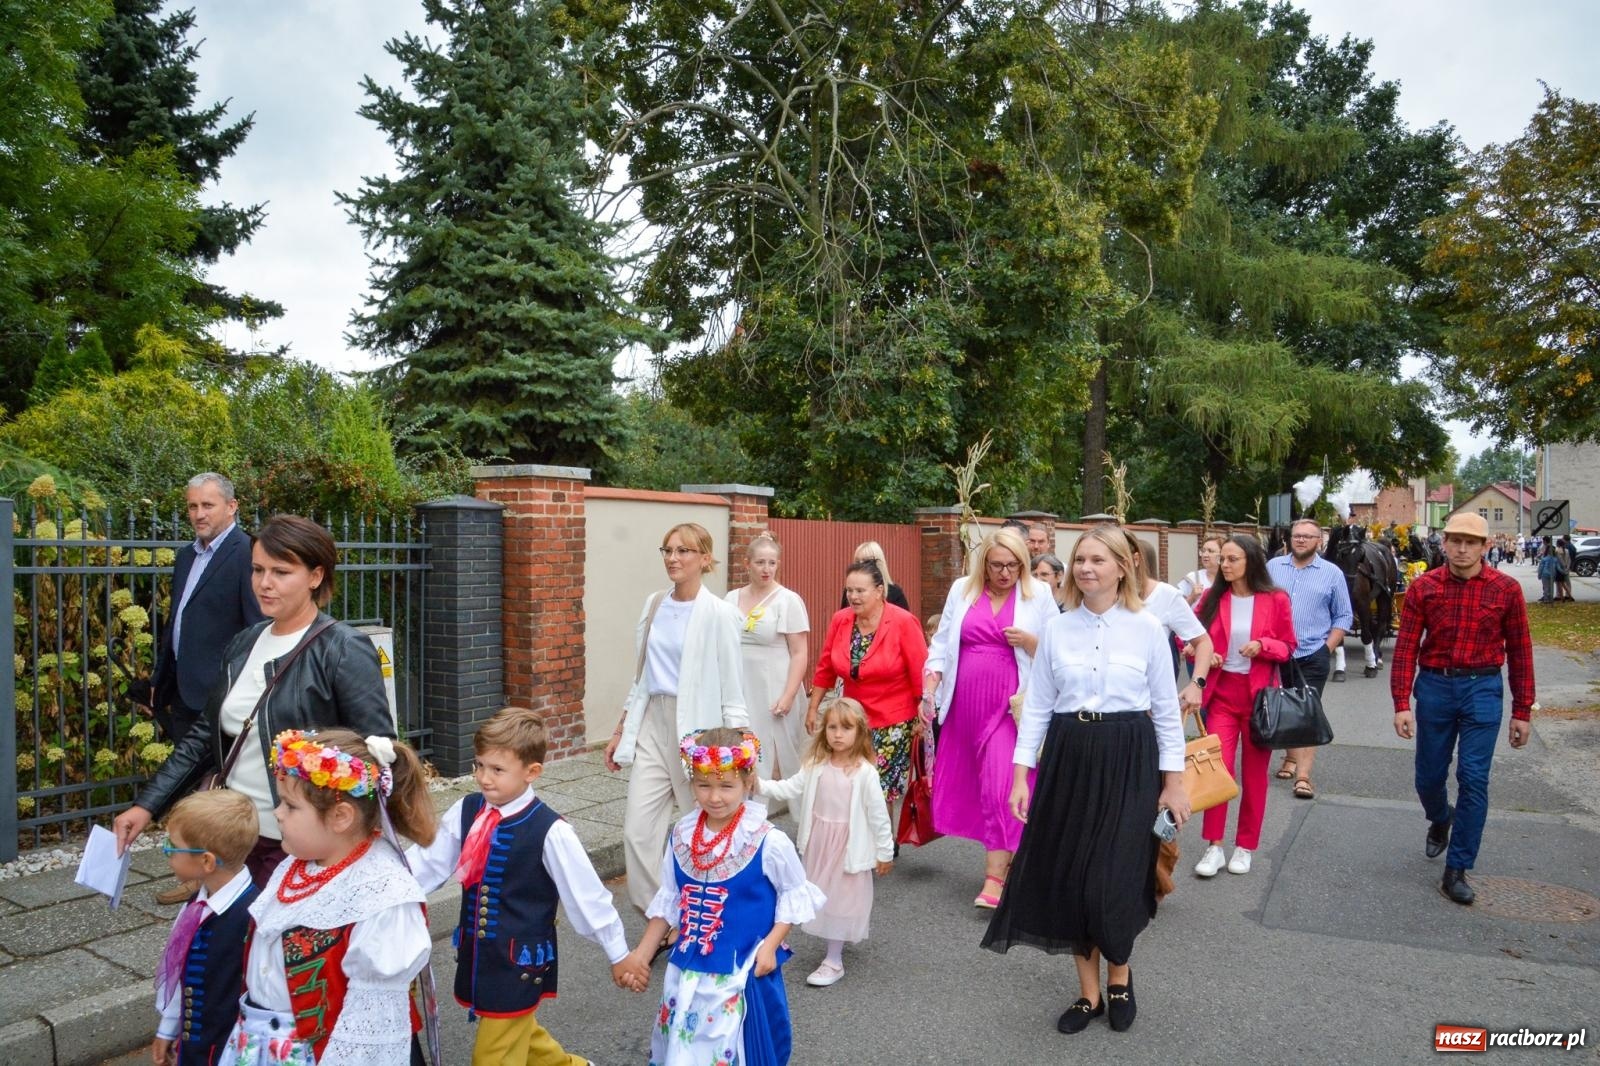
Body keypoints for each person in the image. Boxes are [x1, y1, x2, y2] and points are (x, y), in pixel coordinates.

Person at [981, 526, 1189, 1036]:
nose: (1086, 568)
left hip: (1130, 757)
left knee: (1112, 878)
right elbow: (1037, 711)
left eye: (1098, 559)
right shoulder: (1057, 628)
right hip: (1070, 757)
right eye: (1080, 560)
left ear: (1124, 566)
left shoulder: (1146, 628)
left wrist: (1174, 782)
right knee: (1073, 877)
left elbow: (1165, 710)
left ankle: (1120, 975)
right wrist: (1020, 776)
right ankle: (1089, 993)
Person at [114, 515, 396, 889]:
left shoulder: (342, 649)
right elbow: (204, 735)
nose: (265, 583)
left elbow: (375, 752)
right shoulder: (245, 642)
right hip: (233, 835)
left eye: (281, 572)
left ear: (315, 576)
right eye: (258, 569)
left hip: (298, 843)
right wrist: (147, 805)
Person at [408, 707, 647, 1065]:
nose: (484, 778)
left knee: (495, 1052)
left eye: (497, 770)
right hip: (480, 956)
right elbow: (429, 862)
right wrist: (389, 889)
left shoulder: (550, 830)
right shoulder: (467, 808)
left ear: (532, 772)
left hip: (519, 962)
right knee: (517, 1030)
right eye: (479, 765)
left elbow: (586, 897)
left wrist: (618, 953)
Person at [221, 728, 436, 1066]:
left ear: (340, 817)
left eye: (290, 806)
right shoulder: (296, 865)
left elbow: (369, 1027)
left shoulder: (382, 896)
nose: (277, 813)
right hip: (261, 1044)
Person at [623, 728, 824, 1066]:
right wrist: (642, 955)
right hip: (686, 973)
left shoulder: (767, 841)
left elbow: (793, 895)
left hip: (739, 971)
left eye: (726, 786)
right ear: (691, 785)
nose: (714, 797)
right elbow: (671, 899)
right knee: (682, 1048)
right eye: (704, 786)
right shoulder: (683, 836)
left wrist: (772, 945)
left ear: (748, 783)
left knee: (728, 1048)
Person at [1390, 512, 1534, 905]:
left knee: (1474, 778)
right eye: (1455, 540)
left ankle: (1457, 868)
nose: (1462, 548)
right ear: (1444, 543)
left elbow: (1520, 650)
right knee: (1428, 776)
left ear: (1485, 546)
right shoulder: (1425, 587)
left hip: (1483, 688)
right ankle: (1440, 817)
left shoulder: (1506, 589)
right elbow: (1405, 648)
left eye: (1471, 542)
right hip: (1435, 686)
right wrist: (1401, 702)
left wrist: (1523, 709)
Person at [606, 522, 747, 916]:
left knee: (705, 826)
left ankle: (716, 910)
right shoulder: (654, 605)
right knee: (637, 832)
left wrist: (737, 742)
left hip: (698, 732)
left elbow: (733, 686)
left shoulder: (720, 614)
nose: (673, 558)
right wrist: (621, 729)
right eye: (667, 550)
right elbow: (642, 675)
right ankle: (662, 916)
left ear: (704, 559)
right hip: (653, 722)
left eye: (683, 551)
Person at [922, 529, 1059, 907]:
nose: (1005, 573)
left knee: (1003, 784)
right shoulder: (962, 589)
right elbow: (942, 643)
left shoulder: (1039, 595)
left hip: (1010, 706)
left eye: (1013, 565)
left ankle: (994, 879)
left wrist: (1031, 642)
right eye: (997, 565)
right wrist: (930, 685)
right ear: (984, 563)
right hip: (965, 706)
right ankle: (1014, 861)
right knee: (980, 788)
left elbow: (1059, 650)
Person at [757, 697, 893, 988]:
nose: (838, 734)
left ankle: (834, 958)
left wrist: (884, 851)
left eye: (846, 728)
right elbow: (789, 787)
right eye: (832, 727)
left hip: (846, 848)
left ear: (859, 732)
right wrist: (758, 785)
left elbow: (878, 815)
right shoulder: (816, 765)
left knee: (840, 900)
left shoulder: (864, 773)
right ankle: (777, 940)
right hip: (820, 843)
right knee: (806, 893)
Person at [1191, 535, 1297, 878]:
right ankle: (1214, 846)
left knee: (1255, 777)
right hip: (1221, 695)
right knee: (1218, 772)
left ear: (1251, 560)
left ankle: (1245, 846)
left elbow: (1288, 646)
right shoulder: (1212, 596)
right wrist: (1204, 653)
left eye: (1232, 558)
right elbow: (1186, 633)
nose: (1224, 564)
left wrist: (1262, 644)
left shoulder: (1275, 598)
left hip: (1259, 699)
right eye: (1222, 558)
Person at [145, 473, 265, 746]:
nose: (199, 514)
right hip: (183, 695)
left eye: (208, 505)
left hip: (223, 699)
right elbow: (178, 620)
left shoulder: (248, 553)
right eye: (192, 506)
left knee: (220, 784)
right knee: (187, 783)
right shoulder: (187, 556)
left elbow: (257, 630)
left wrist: (242, 694)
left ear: (232, 506)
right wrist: (159, 679)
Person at [150, 789, 260, 1066]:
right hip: (192, 1048)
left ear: (207, 861)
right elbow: (180, 972)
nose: (167, 853)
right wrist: (168, 1027)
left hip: (228, 1051)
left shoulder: (254, 917)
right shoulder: (196, 903)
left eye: (172, 847)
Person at [808, 560, 927, 808]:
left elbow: (920, 672)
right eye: (849, 590)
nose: (853, 596)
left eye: (860, 591)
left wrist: (922, 715)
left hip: (892, 720)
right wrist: (813, 708)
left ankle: (883, 844)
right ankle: (853, 841)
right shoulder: (841, 620)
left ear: (879, 590)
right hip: (851, 718)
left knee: (879, 789)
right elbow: (826, 666)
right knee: (849, 783)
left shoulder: (903, 622)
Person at [1266, 519, 1353, 800]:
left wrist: (1326, 648)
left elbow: (1344, 615)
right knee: (1285, 707)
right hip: (1278, 652)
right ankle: (1290, 759)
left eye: (1308, 536)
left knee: (1308, 711)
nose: (1301, 540)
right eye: (1297, 535)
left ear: (1319, 541)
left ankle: (1303, 776)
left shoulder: (1332, 573)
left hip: (1312, 652)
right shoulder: (1273, 568)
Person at [725, 532, 811, 778]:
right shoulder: (731, 599)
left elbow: (799, 652)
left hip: (774, 683)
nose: (766, 569)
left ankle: (774, 803)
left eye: (772, 563)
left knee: (774, 748)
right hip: (741, 682)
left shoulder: (788, 600)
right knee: (742, 742)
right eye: (760, 562)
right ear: (747, 564)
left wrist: (788, 695)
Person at [1128, 538, 1212, 702]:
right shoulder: (1100, 596)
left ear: (1137, 560)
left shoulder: (1165, 594)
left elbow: (1203, 642)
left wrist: (1197, 684)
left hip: (1151, 699)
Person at [837, 541, 911, 612]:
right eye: (857, 562)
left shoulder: (894, 592)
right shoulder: (850, 592)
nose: (861, 566)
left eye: (866, 562)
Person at [1175, 535, 1221, 608]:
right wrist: (1191, 598)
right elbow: (1175, 608)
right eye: (1203, 551)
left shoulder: (1230, 579)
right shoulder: (1192, 578)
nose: (1205, 555)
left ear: (1222, 555)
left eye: (1210, 551)